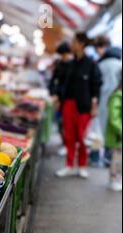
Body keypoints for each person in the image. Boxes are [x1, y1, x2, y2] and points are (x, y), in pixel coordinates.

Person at [56, 33, 102, 178]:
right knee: (69, 136)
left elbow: (96, 86)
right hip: (68, 104)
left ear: (81, 44)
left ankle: (82, 165)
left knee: (81, 137)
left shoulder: (91, 64)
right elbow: (61, 83)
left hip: (84, 106)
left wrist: (94, 104)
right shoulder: (70, 64)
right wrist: (58, 99)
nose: (72, 44)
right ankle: (69, 165)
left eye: (74, 42)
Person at [94, 36, 122, 167]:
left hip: (102, 101)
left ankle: (99, 158)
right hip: (117, 99)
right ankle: (110, 159)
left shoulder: (100, 65)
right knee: (114, 131)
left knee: (99, 130)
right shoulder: (119, 65)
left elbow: (96, 85)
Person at [49, 42, 73, 156]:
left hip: (68, 99)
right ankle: (64, 142)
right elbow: (53, 80)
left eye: (64, 55)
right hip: (59, 98)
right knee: (60, 122)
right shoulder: (59, 64)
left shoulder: (73, 65)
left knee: (66, 124)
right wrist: (54, 94)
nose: (63, 57)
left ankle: (67, 145)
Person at [105, 79, 122, 191]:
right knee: (116, 159)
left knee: (119, 159)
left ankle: (117, 179)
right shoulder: (117, 97)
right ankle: (113, 180)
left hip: (118, 134)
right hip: (117, 135)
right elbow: (114, 118)